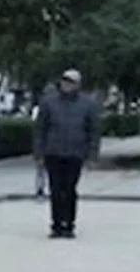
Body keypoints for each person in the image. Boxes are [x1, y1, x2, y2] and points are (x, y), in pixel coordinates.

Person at [34, 69, 101, 239]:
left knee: (70, 189)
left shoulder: (88, 104)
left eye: (71, 81)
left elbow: (94, 130)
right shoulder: (49, 102)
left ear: (78, 84)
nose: (66, 84)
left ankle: (69, 224)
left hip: (75, 152)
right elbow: (40, 129)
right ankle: (56, 224)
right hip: (53, 152)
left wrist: (92, 154)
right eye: (64, 80)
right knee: (55, 189)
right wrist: (38, 153)